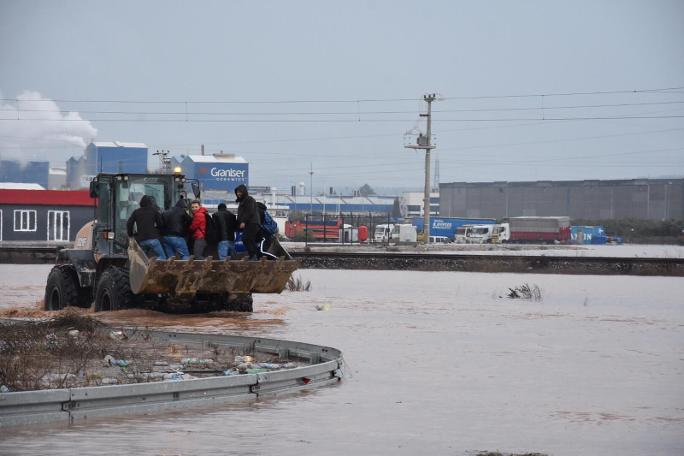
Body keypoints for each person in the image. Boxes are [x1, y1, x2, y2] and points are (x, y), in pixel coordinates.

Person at [126, 195, 167, 259]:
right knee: (162, 257)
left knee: (143, 259)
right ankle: (154, 266)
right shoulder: (154, 211)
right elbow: (160, 224)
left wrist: (130, 234)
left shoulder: (136, 212)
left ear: (141, 203)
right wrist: (158, 231)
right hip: (153, 239)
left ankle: (146, 268)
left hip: (141, 240)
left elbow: (129, 224)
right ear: (151, 203)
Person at [234, 184, 260, 260]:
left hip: (252, 223)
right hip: (250, 223)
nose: (238, 193)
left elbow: (249, 211)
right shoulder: (243, 201)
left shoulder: (249, 199)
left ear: (244, 192)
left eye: (240, 192)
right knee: (249, 239)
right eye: (237, 192)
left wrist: (244, 222)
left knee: (246, 238)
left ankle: (254, 256)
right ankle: (255, 255)